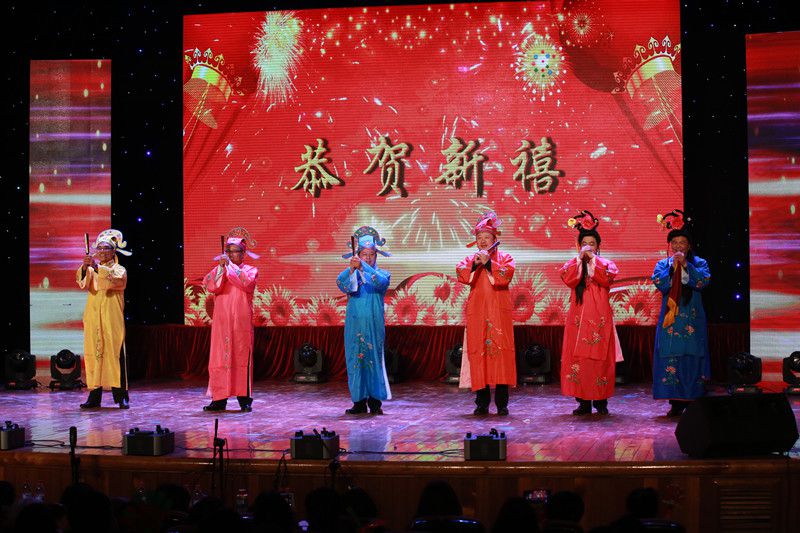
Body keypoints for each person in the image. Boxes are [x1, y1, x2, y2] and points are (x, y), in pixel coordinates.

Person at [559, 211, 623, 415]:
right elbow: (567, 278)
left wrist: (593, 260)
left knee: (599, 359)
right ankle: (583, 402)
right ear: (579, 246)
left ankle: (601, 402)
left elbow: (607, 277)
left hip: (598, 318)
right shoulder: (573, 264)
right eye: (584, 243)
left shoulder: (606, 264)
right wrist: (580, 261)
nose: (588, 247)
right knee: (579, 360)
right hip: (577, 319)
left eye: (592, 244)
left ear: (598, 246)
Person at [651, 210, 710, 417]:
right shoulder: (663, 265)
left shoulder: (699, 263)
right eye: (674, 243)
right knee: (671, 356)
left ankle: (693, 401)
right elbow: (660, 284)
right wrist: (673, 269)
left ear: (689, 246)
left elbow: (702, 282)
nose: (678, 246)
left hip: (692, 319)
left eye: (682, 242)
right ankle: (675, 403)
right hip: (671, 320)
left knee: (692, 357)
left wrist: (686, 266)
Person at [457, 212, 516, 416]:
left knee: (501, 356)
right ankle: (481, 403)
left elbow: (505, 276)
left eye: (487, 237)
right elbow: (461, 273)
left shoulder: (506, 258)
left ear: (494, 239)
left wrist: (489, 263)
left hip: (498, 313)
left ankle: (502, 403)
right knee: (478, 355)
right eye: (479, 237)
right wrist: (476, 263)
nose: (483, 241)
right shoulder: (470, 259)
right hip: (478, 312)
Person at [336, 226, 392, 415]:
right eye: (364, 255)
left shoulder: (382, 274)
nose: (368, 258)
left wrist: (362, 267)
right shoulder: (352, 275)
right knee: (355, 360)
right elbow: (340, 283)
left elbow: (381, 283)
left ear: (376, 255)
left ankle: (375, 402)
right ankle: (358, 402)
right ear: (358, 255)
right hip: (354, 325)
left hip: (374, 325)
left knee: (373, 360)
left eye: (371, 255)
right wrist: (351, 269)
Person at [202, 228, 259, 412]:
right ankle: (219, 399)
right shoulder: (219, 270)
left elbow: (246, 283)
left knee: (241, 357)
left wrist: (229, 268)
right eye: (229, 251)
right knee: (219, 357)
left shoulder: (250, 270)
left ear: (243, 253)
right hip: (222, 322)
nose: (232, 255)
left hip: (240, 322)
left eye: (236, 251)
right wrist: (221, 268)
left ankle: (244, 399)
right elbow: (212, 286)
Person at [77, 229, 131, 409]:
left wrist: (96, 268)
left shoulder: (119, 269)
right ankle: (94, 395)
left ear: (113, 251)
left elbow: (115, 280)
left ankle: (121, 395)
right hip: (93, 316)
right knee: (94, 355)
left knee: (115, 355)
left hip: (111, 318)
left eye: (105, 248)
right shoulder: (92, 269)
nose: (101, 251)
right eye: (99, 248)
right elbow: (82, 282)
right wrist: (85, 267)